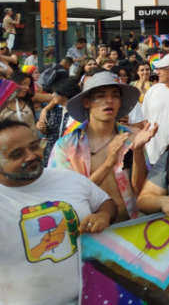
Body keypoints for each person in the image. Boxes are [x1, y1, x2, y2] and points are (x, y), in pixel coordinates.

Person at [0, 120, 116, 305]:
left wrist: (104, 215)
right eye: (17, 154)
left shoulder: (69, 178)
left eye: (34, 146)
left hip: (93, 298)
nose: (31, 156)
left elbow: (105, 202)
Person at [48, 71, 157, 222]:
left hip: (133, 226)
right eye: (100, 96)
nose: (109, 101)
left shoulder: (132, 137)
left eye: (115, 95)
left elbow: (141, 190)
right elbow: (67, 199)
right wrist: (108, 164)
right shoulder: (66, 146)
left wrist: (138, 151)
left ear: (120, 102)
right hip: (92, 230)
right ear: (87, 102)